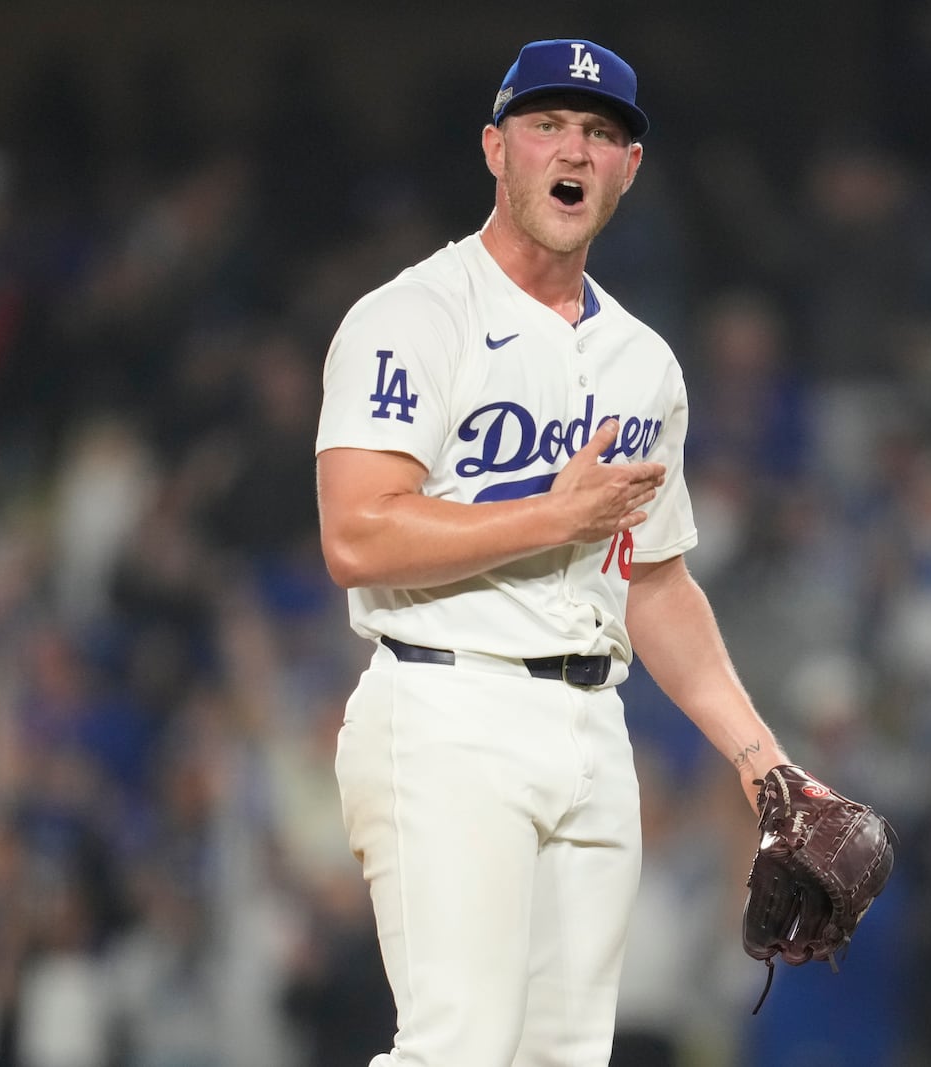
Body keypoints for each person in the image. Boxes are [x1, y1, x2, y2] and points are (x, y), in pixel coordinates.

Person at [313, 38, 797, 1067]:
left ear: (626, 170)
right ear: (497, 150)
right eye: (546, 124)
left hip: (591, 723)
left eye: (601, 132)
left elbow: (654, 581)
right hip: (447, 702)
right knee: (457, 1048)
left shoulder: (644, 363)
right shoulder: (410, 318)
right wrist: (551, 512)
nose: (573, 146)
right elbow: (357, 533)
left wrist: (766, 766)